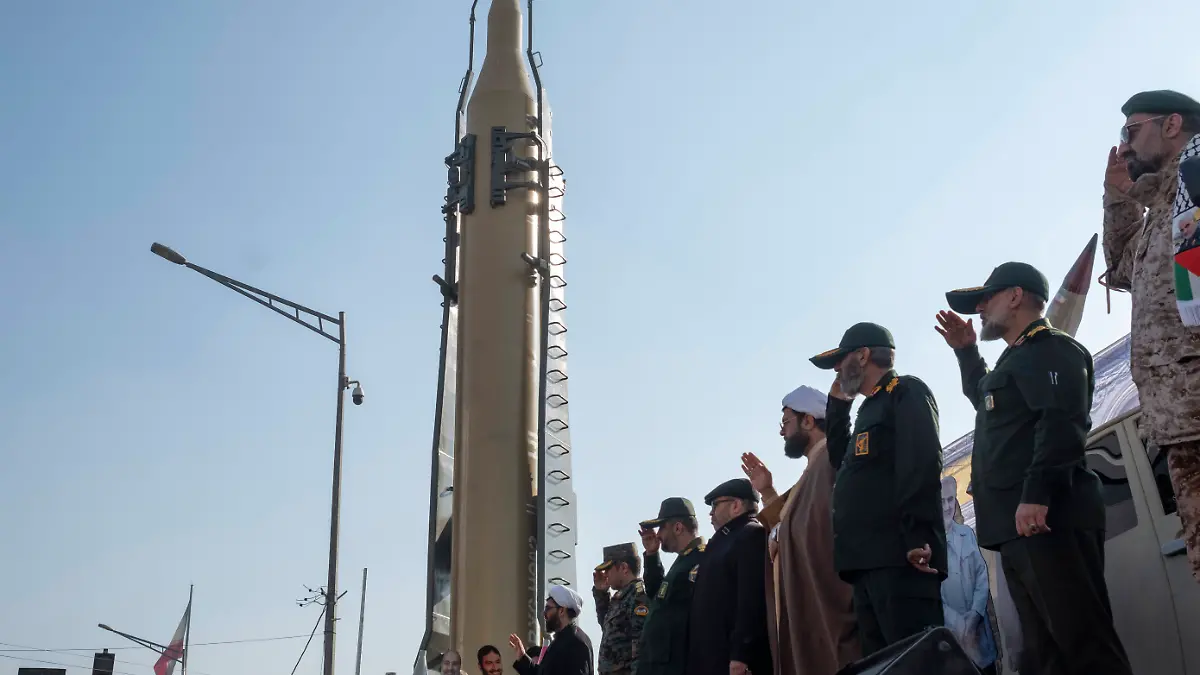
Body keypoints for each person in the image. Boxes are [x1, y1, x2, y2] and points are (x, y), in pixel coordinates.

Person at [937, 261, 1132, 675]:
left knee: (1085, 647)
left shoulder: (1051, 349)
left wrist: (1036, 495)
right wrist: (966, 351)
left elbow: (1062, 422)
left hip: (1047, 520)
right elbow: (987, 401)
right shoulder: (1016, 360)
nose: (980, 309)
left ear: (1015, 296)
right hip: (1019, 528)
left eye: (986, 299)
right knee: (1045, 658)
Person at [1102, 89, 1200, 581]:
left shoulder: (1194, 192)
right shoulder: (1164, 212)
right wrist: (1119, 198)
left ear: (1172, 125)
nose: (1123, 147)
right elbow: (1122, 268)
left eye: (1131, 131)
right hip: (1180, 430)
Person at [809, 322, 946, 655]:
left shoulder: (905, 391)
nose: (837, 370)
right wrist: (838, 407)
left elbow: (922, 462)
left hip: (902, 556)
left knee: (917, 660)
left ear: (863, 355)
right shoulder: (868, 409)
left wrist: (917, 535)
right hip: (867, 562)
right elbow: (841, 460)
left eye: (841, 361)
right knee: (885, 664)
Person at [739, 384, 860, 675]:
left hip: (834, 616)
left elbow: (815, 531)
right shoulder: (812, 471)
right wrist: (767, 492)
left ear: (808, 421)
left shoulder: (831, 461)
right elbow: (790, 527)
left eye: (786, 422)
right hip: (812, 614)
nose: (782, 432)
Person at [688, 478, 771, 675]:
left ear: (736, 506)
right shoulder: (723, 541)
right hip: (712, 658)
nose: (711, 513)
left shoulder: (751, 535)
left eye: (715, 505)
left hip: (732, 662)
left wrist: (741, 655)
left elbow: (750, 601)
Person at [634, 497, 706, 675]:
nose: (658, 535)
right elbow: (657, 596)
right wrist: (651, 555)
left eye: (662, 528)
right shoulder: (683, 561)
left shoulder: (700, 559)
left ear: (678, 528)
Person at [938, 477, 997, 675]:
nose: (947, 507)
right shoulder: (930, 546)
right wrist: (960, 624)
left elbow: (981, 576)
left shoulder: (967, 534)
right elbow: (934, 593)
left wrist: (975, 614)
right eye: (942, 501)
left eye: (950, 500)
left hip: (978, 633)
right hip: (953, 637)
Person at [592, 543, 650, 675]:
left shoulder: (638, 596)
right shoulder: (621, 597)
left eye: (608, 569)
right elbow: (609, 629)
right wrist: (601, 593)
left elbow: (640, 644)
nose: (605, 574)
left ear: (624, 568)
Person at [510, 585, 594, 675]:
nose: (544, 613)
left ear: (561, 611)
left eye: (548, 608)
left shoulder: (576, 643)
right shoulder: (560, 641)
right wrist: (522, 656)